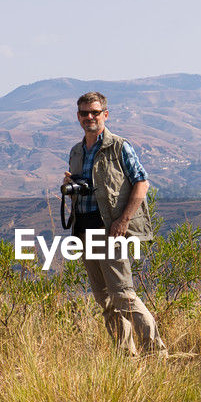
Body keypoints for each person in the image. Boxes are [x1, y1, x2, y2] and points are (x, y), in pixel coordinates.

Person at [65, 91, 167, 357]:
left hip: (110, 230)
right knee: (105, 300)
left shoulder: (119, 147)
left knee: (123, 295)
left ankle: (157, 354)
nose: (90, 117)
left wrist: (124, 221)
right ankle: (126, 357)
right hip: (84, 230)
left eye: (95, 112)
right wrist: (69, 186)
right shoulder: (76, 151)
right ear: (78, 117)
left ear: (105, 115)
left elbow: (141, 182)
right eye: (85, 113)